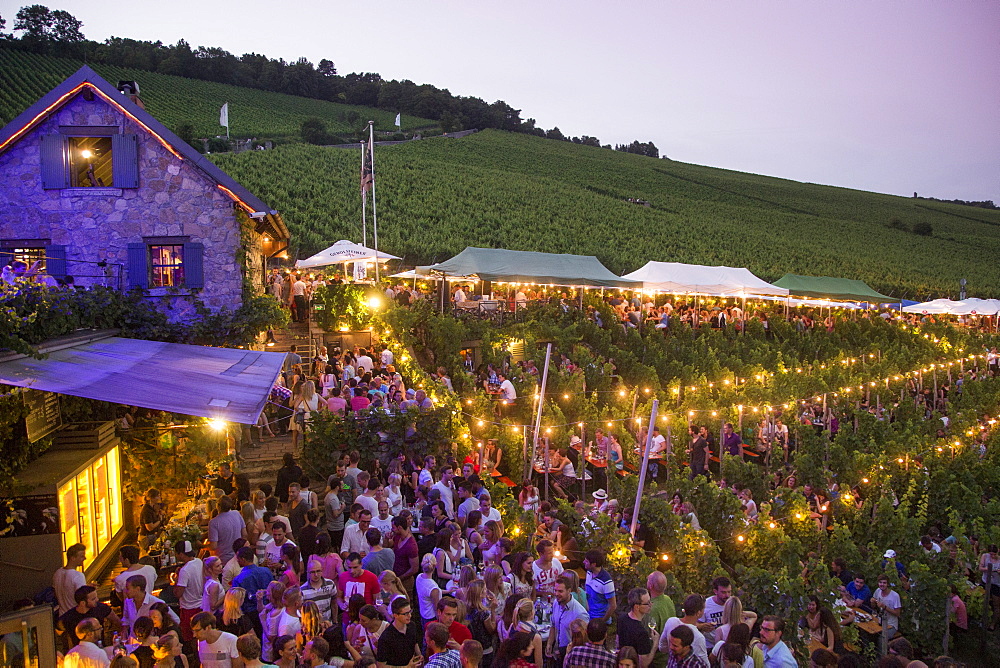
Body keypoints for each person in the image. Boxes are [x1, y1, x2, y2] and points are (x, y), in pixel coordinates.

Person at [58, 585, 120, 651]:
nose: (97, 599)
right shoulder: (69, 617)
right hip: (80, 652)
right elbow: (57, 632)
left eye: (96, 597)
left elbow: (117, 621)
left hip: (100, 649)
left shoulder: (101, 608)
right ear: (82, 603)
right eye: (93, 599)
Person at [548, 576, 590, 667]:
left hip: (571, 656)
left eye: (560, 591)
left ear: (569, 590)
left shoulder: (580, 613)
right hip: (556, 652)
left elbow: (583, 640)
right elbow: (554, 625)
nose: (556, 594)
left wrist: (564, 651)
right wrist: (549, 644)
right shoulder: (556, 602)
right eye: (555, 590)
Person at [658, 596, 708, 668]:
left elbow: (662, 647)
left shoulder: (671, 621)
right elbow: (705, 664)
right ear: (699, 612)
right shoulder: (699, 637)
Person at [376, 596, 424, 668]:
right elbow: (380, 665)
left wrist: (419, 656)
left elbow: (415, 642)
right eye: (405, 614)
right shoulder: (386, 637)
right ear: (395, 615)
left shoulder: (412, 626)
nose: (409, 616)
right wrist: (406, 667)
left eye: (410, 611)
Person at [617, 588, 656, 668]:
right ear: (637, 607)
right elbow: (643, 664)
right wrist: (655, 644)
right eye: (647, 603)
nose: (650, 605)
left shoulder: (621, 619)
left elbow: (617, 641)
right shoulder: (641, 633)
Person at [646, 572, 675, 668]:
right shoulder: (668, 600)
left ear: (651, 585)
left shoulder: (651, 609)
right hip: (669, 655)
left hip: (657, 660)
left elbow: (650, 637)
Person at [210, 497, 248, 565]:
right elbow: (244, 534)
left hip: (223, 560)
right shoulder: (237, 513)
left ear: (218, 506)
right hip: (238, 557)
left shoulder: (214, 522)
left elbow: (213, 546)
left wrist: (201, 546)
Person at [583, 551, 616, 624]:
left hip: (599, 619)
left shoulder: (606, 582)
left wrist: (602, 621)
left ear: (594, 564)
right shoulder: (589, 573)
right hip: (588, 615)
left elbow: (613, 605)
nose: (583, 562)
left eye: (586, 561)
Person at [301, 557, 338, 622]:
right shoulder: (302, 590)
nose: (316, 575)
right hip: (312, 626)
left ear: (322, 570)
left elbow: (334, 604)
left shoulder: (330, 584)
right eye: (312, 572)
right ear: (308, 573)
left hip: (328, 624)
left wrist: (335, 621)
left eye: (318, 571)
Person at [55, 543, 88, 615]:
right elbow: (82, 599)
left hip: (62, 615)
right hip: (75, 616)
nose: (85, 558)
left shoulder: (57, 573)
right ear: (73, 558)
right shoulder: (78, 576)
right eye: (82, 556)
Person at [138, 489, 165, 553]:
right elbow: (149, 527)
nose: (159, 498)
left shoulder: (152, 507)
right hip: (146, 538)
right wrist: (159, 520)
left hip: (151, 536)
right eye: (157, 496)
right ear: (151, 498)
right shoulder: (146, 510)